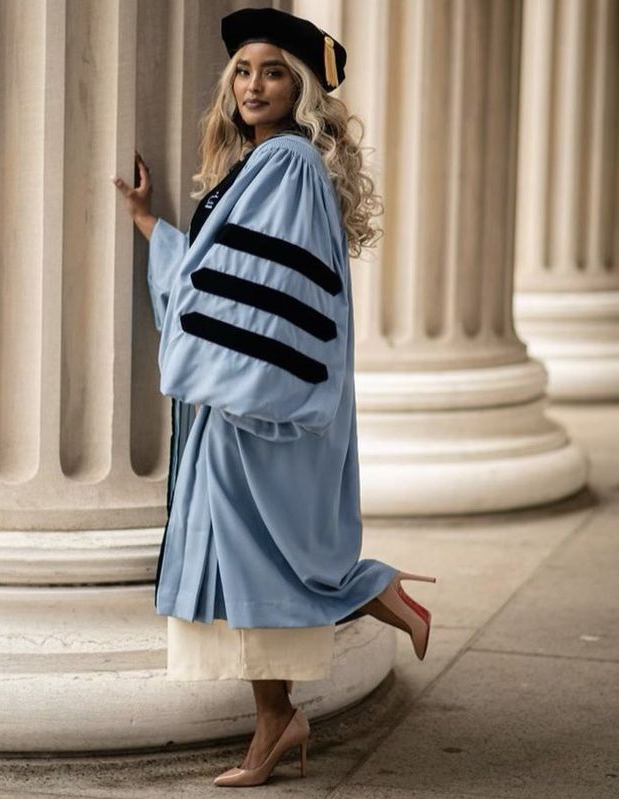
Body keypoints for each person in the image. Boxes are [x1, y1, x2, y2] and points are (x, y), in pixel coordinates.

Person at [113, 7, 436, 788]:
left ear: (302, 90)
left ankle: (369, 591)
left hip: (262, 404)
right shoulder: (258, 167)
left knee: (257, 556)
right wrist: (153, 225)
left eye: (275, 71)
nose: (255, 84)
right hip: (248, 397)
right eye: (245, 72)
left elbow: (267, 298)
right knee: (240, 560)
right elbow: (226, 279)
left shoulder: (287, 164)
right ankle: (278, 718)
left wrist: (232, 380)